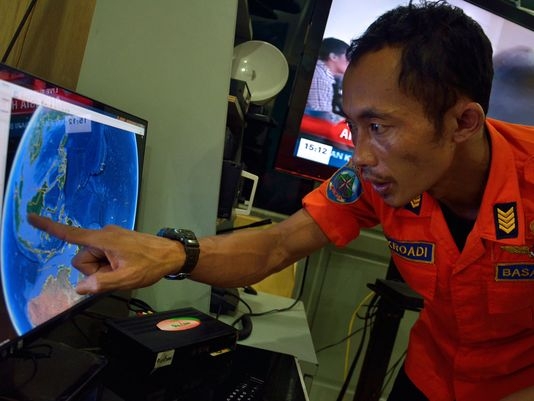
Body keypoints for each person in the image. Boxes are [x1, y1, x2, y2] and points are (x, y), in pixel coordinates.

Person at [27, 1, 534, 400]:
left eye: (379, 127)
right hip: (430, 375)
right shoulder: (375, 178)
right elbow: (278, 245)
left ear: (463, 122)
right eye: (354, 127)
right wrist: (172, 254)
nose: (359, 157)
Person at [305, 37, 349, 114]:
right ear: (333, 57)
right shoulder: (321, 77)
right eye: (348, 57)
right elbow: (320, 116)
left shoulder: (322, 73)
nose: (350, 62)